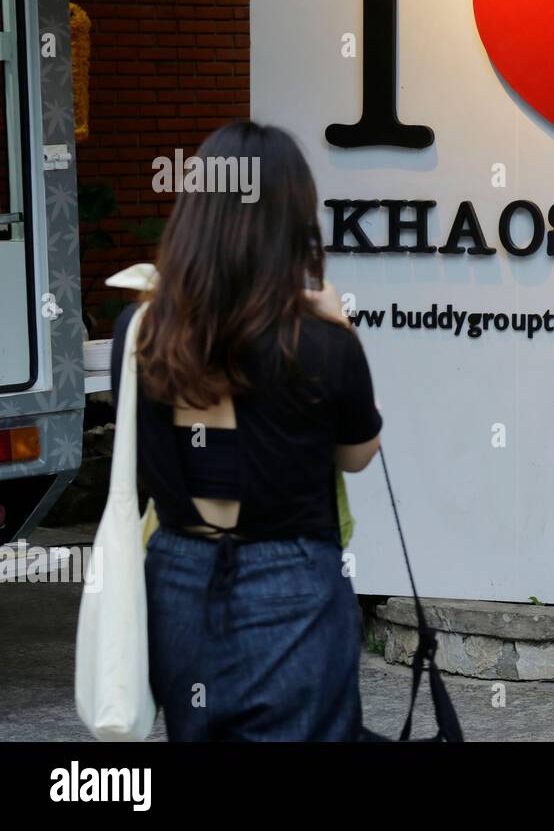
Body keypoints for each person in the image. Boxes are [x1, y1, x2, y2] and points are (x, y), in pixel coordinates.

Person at [109, 120, 382, 740]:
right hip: (293, 578)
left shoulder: (139, 332)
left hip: (177, 574)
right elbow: (358, 453)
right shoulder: (320, 341)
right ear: (291, 222)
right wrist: (341, 324)